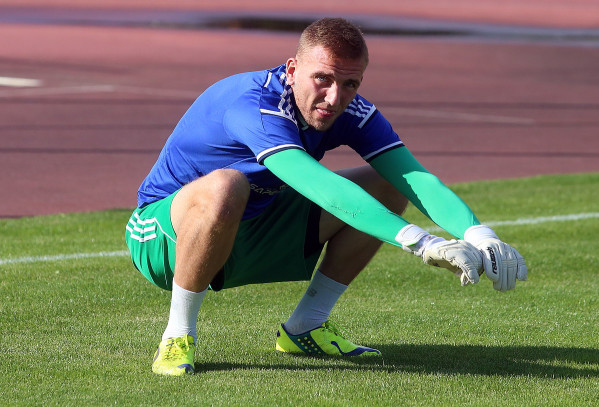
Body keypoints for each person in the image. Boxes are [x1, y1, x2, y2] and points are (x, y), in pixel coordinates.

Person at [125, 17, 527, 376]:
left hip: (253, 230)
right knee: (226, 186)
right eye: (323, 79)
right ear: (292, 69)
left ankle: (306, 326)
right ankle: (177, 335)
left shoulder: (349, 111)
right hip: (163, 238)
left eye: (350, 84)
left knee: (385, 182)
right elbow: (321, 187)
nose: (334, 98)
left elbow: (413, 178)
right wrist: (421, 242)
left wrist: (481, 234)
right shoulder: (254, 105)